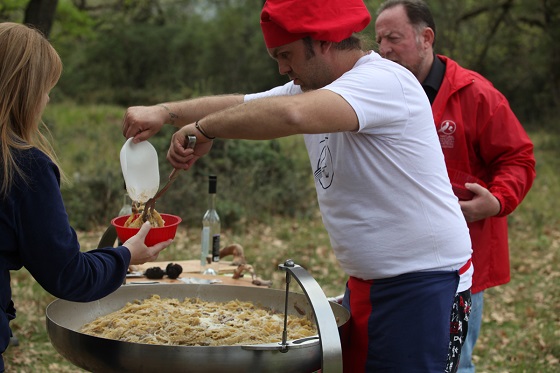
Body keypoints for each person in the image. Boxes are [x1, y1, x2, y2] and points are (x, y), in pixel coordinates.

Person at [122, 0, 473, 371]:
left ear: (323, 40)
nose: (282, 68)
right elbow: (244, 103)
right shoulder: (316, 86)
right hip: (372, 283)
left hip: (423, 286)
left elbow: (289, 115)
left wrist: (207, 128)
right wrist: (165, 112)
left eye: (286, 54)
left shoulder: (382, 81)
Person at [0, 22, 172, 371]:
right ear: (25, 90)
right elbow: (68, 275)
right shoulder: (23, 167)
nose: (47, 99)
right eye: (46, 89)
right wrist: (126, 255)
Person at [374, 1, 536, 372]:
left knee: (454, 361)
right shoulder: (380, 92)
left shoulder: (477, 95)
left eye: (393, 38)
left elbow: (519, 158)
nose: (383, 49)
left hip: (459, 261)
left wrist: (496, 202)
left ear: (425, 37)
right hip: (393, 254)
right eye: (379, 39)